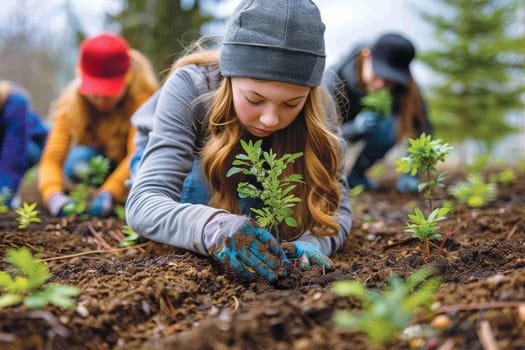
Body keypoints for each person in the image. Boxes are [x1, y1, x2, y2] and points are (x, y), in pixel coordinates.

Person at [126, 0, 352, 283]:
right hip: (186, 160)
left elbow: (338, 207)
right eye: (255, 99)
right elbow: (145, 203)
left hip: (257, 167)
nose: (270, 119)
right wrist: (213, 227)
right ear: (230, 77)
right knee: (200, 192)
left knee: (270, 223)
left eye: (291, 103)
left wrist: (315, 243)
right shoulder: (191, 86)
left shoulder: (320, 106)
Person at [38, 33, 158, 217]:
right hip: (101, 161)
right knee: (78, 161)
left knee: (141, 162)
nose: (101, 101)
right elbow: (52, 157)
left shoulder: (142, 99)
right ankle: (97, 188)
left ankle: (127, 191)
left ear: (126, 78)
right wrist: (53, 195)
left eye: (109, 94)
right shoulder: (71, 103)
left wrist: (111, 191)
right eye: (94, 93)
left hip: (133, 164)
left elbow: (138, 154)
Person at [323, 32, 432, 193]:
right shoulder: (333, 80)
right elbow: (320, 133)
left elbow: (423, 127)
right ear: (366, 55)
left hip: (371, 130)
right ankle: (330, 179)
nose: (381, 85)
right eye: (378, 74)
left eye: (389, 80)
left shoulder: (404, 86)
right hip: (337, 134)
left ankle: (357, 176)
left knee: (390, 126)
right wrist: (354, 128)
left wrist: (412, 170)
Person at [0, 81, 48, 207]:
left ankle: (9, 191)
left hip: (31, 144)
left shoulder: (15, 101)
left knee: (24, 153)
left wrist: (3, 200)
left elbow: (12, 158)